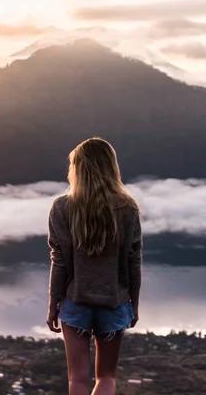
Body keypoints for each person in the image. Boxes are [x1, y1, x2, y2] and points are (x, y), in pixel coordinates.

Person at [46, 137, 142, 395]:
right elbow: (134, 262)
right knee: (106, 378)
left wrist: (54, 304)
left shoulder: (62, 208)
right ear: (111, 167)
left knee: (77, 380)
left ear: (77, 169)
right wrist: (134, 303)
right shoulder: (127, 208)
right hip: (115, 302)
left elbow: (60, 262)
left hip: (75, 302)